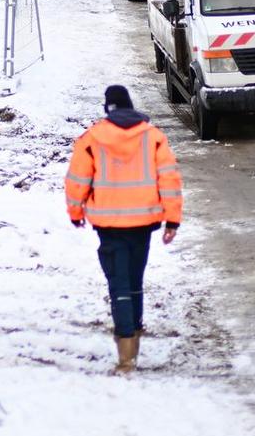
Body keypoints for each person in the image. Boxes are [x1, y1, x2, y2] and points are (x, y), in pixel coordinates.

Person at [65, 86, 182, 373]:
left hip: (108, 224)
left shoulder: (92, 138)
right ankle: (135, 335)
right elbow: (169, 179)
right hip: (143, 222)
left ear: (108, 108)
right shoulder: (153, 137)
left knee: (118, 283)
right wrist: (172, 220)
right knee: (134, 278)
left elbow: (77, 179)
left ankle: (126, 353)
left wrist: (76, 212)